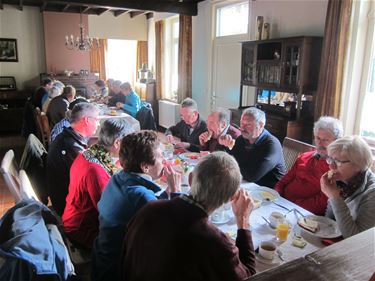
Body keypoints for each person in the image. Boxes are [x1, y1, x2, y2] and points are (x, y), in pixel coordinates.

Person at [121, 151, 256, 281]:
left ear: (191, 179)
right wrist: (242, 222)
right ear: (231, 198)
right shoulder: (216, 243)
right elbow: (249, 276)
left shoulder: (149, 209)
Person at [92, 130, 181, 281]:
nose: (165, 160)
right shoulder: (141, 197)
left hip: (102, 259)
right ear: (145, 167)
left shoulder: (118, 177)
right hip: (119, 270)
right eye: (161, 156)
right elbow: (174, 231)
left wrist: (166, 194)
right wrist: (176, 193)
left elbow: (145, 206)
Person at [62, 119, 134, 250]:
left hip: (76, 217)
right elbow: (110, 213)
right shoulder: (95, 170)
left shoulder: (90, 153)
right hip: (82, 229)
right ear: (117, 143)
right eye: (128, 144)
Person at [275, 116, 343, 215]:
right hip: (281, 203)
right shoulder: (304, 156)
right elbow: (284, 180)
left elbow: (321, 203)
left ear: (336, 142)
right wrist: (276, 194)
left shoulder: (336, 169)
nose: (320, 143)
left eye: (325, 140)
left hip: (303, 213)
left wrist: (292, 204)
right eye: (318, 138)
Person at [47, 103, 100, 215]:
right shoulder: (71, 147)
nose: (99, 124)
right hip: (68, 206)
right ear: (86, 120)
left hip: (63, 197)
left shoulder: (68, 136)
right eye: (97, 120)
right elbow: (90, 178)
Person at [321, 136, 375, 238]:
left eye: (338, 162)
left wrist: (335, 198)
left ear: (358, 164)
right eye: (330, 159)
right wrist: (332, 196)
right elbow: (329, 222)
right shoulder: (342, 180)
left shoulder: (372, 193)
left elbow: (356, 240)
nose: (331, 166)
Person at [222, 107, 285, 187]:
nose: (242, 128)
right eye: (242, 123)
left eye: (248, 124)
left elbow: (252, 176)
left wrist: (231, 165)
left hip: (271, 192)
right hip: (248, 185)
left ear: (261, 125)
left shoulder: (271, 145)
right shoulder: (242, 139)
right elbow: (229, 160)